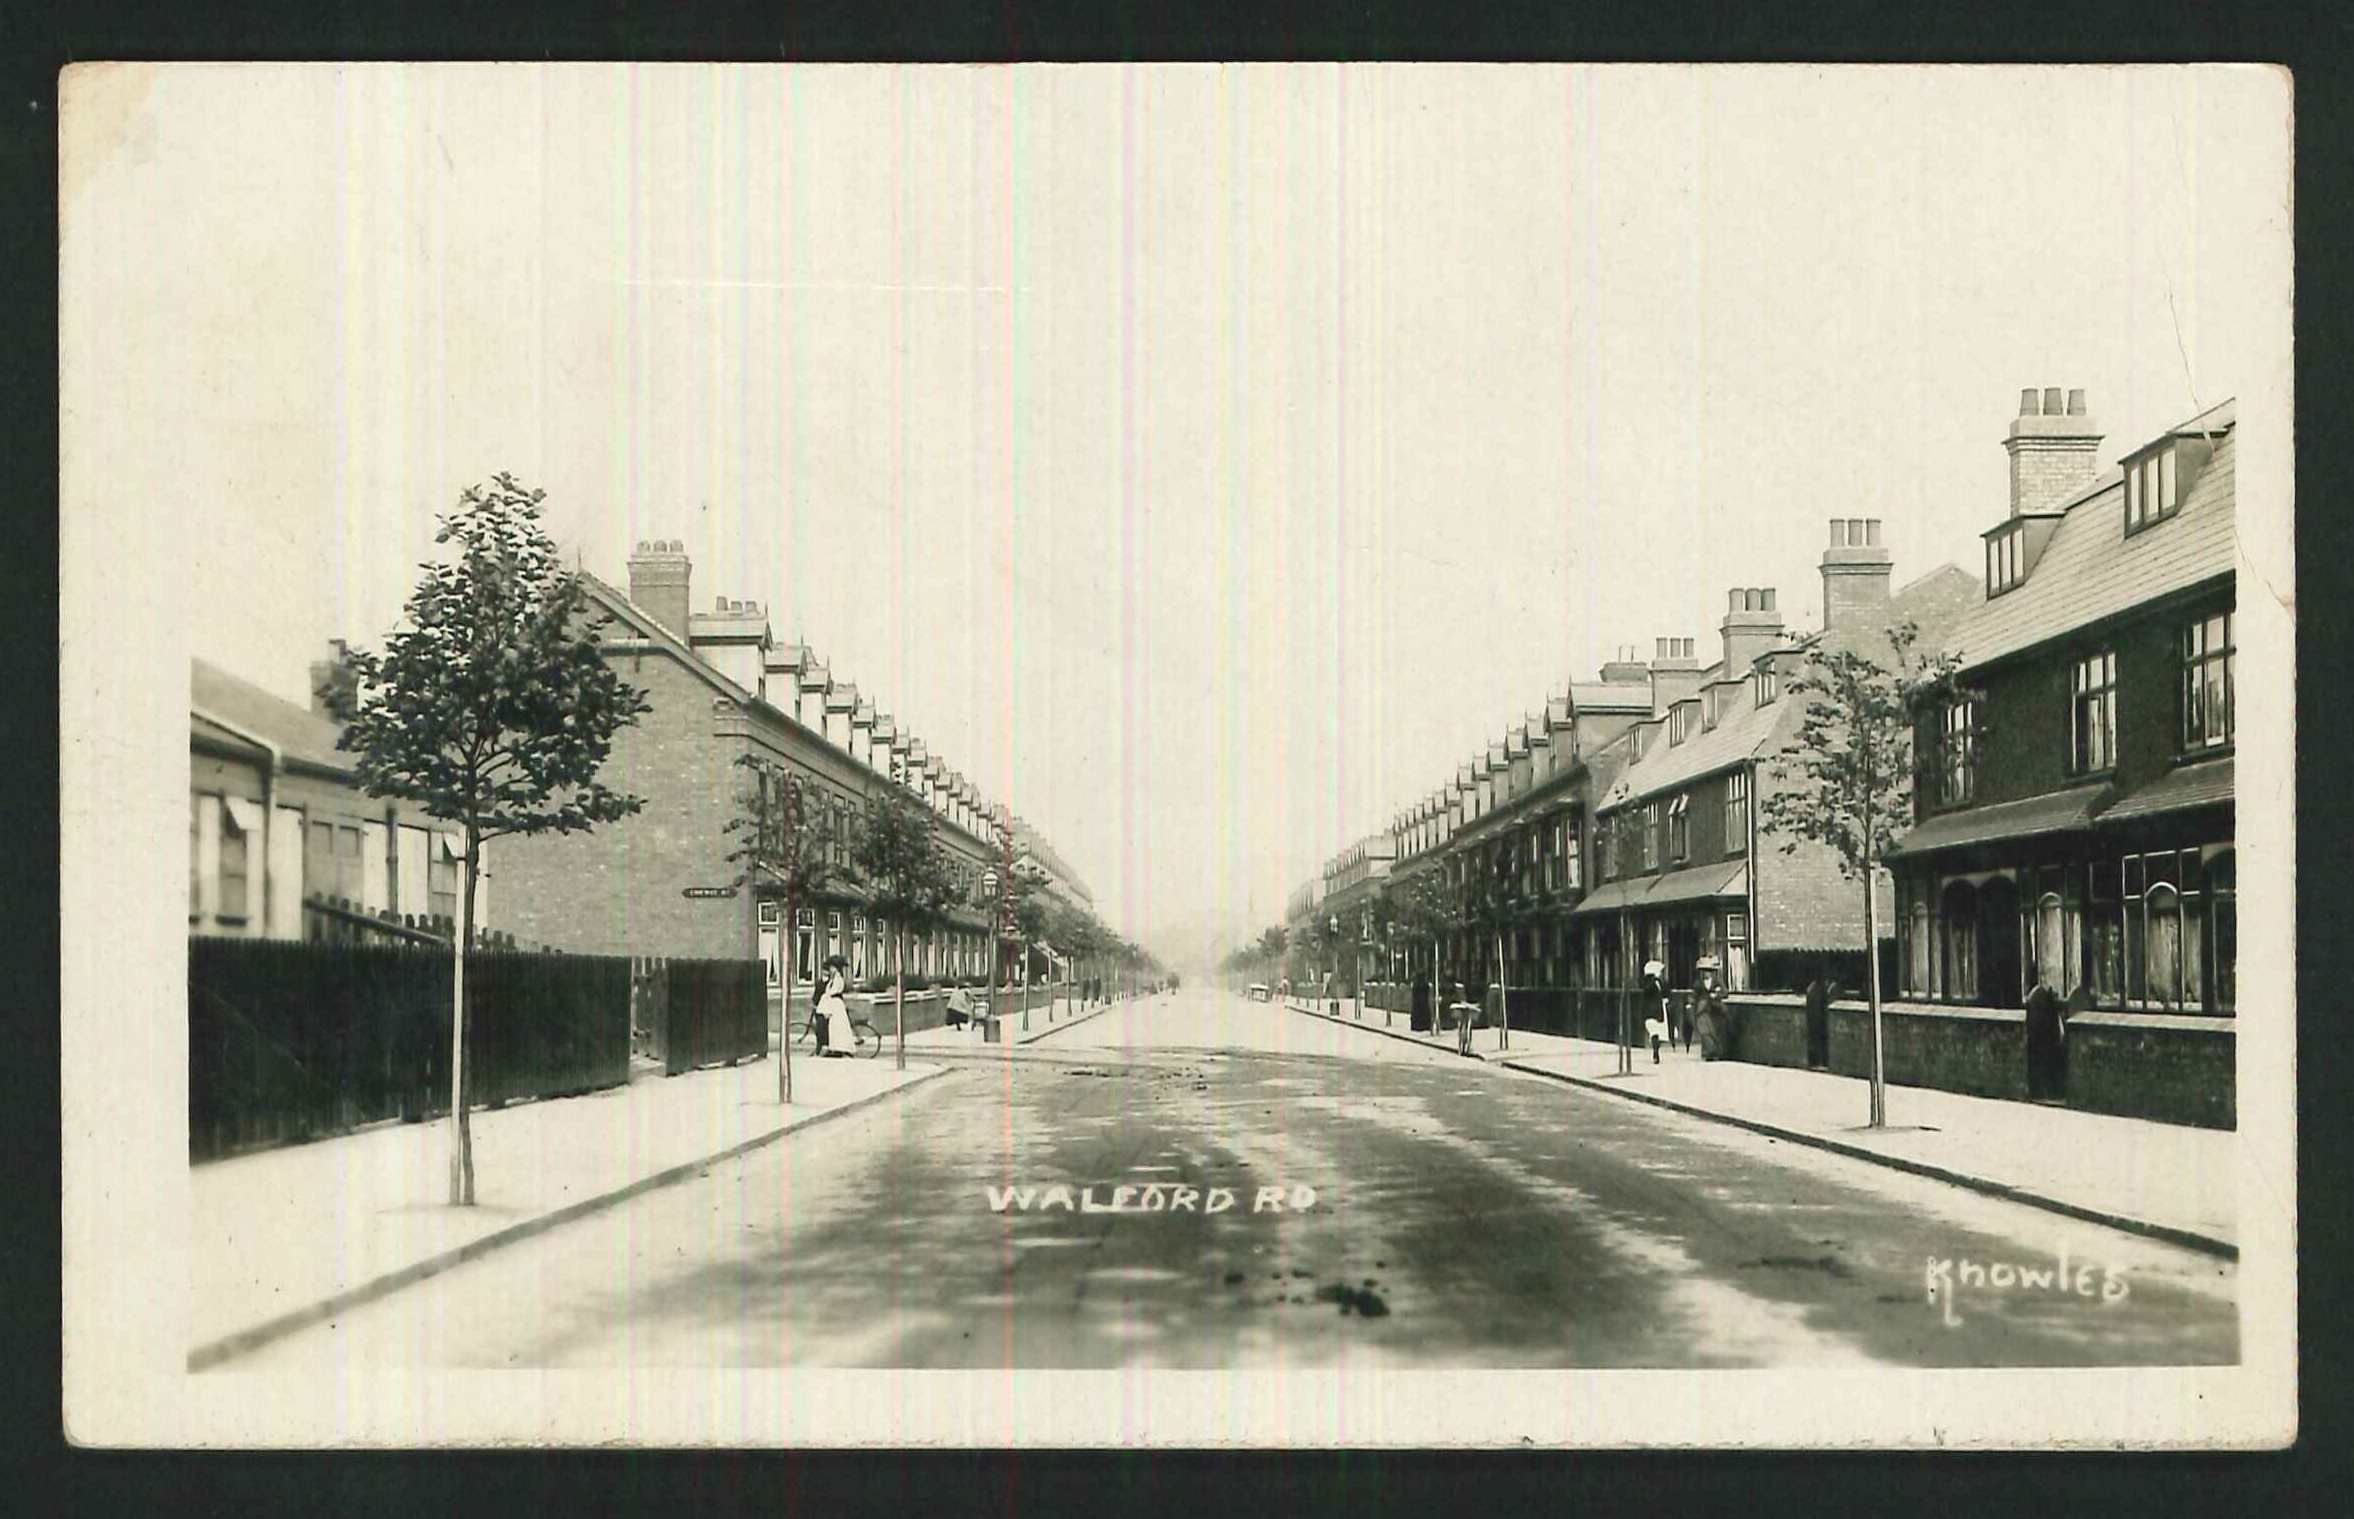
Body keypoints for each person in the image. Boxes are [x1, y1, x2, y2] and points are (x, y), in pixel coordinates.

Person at [816, 955, 854, 1057]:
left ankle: (840, 1048)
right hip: (833, 1004)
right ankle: (835, 1048)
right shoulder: (833, 979)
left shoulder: (838, 979)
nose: (830, 969)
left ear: (836, 968)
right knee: (833, 1027)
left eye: (832, 967)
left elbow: (833, 992)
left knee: (838, 1026)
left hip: (836, 1005)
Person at [1694, 956, 1730, 1061]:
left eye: (1708, 971)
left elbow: (1725, 992)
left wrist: (1717, 995)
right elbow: (1694, 996)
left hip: (1715, 1010)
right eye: (1704, 971)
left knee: (1714, 1032)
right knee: (1704, 1031)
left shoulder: (1717, 981)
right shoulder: (1698, 983)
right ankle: (1707, 1052)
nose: (1706, 973)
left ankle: (1716, 1053)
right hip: (1703, 1010)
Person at [1640, 959, 1669, 1063]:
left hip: (1659, 1011)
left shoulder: (1661, 981)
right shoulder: (1647, 981)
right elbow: (1646, 991)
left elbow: (1666, 992)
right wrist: (1653, 980)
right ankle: (1655, 1054)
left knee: (1658, 1033)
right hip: (1649, 1012)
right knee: (1653, 1032)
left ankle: (1656, 1049)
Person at [1451, 981, 1479, 1056]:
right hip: (1461, 1012)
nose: (1459, 991)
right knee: (1462, 1027)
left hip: (1466, 1011)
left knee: (1467, 1027)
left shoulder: (1467, 994)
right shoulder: (1455, 996)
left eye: (1460, 989)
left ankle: (1466, 1045)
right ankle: (1463, 1045)